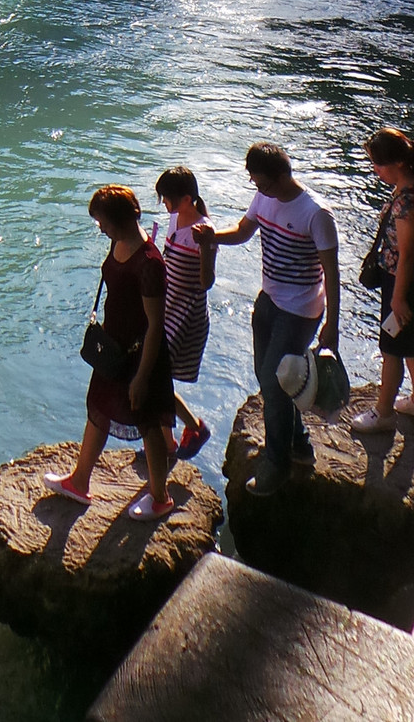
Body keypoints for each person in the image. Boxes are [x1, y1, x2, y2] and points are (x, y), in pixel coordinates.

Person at [195, 142, 339, 496]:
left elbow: (332, 274)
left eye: (261, 183)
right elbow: (244, 232)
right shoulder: (264, 199)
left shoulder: (316, 213)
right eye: (254, 183)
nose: (257, 189)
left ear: (281, 176)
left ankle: (278, 464)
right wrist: (212, 237)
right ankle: (300, 445)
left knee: (274, 386)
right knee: (267, 375)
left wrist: (331, 325)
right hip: (269, 300)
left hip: (301, 309)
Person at [45, 184, 176, 521]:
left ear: (119, 220)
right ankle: (79, 481)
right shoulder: (119, 242)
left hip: (140, 353)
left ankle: (160, 497)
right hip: (115, 349)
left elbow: (155, 326)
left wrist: (143, 377)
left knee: (149, 422)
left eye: (102, 221)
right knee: (99, 408)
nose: (99, 227)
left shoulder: (149, 264)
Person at [351, 126, 414, 433]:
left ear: (398, 163)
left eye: (379, 164)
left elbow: (407, 254)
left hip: (402, 282)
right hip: (405, 281)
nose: (376, 170)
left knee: (391, 349)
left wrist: (398, 297)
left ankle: (384, 412)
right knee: (410, 345)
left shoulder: (406, 202)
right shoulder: (405, 189)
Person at [154, 167, 215, 460]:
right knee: (157, 378)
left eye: (168, 199)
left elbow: (206, 283)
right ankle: (166, 441)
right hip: (167, 306)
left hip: (186, 313)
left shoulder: (204, 232)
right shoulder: (175, 219)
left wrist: (205, 248)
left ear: (188, 198)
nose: (165, 204)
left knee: (156, 377)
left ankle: (193, 428)